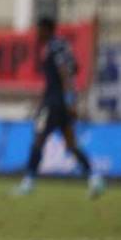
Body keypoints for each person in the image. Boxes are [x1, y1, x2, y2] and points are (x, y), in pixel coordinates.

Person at [13, 17, 105, 199]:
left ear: (47, 29)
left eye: (38, 29)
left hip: (54, 104)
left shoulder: (53, 47)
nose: (36, 33)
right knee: (71, 144)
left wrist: (69, 100)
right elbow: (73, 69)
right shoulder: (63, 46)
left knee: (38, 139)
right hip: (60, 103)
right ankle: (94, 179)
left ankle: (28, 183)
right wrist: (69, 101)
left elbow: (64, 73)